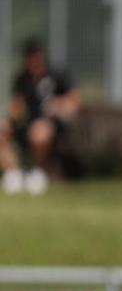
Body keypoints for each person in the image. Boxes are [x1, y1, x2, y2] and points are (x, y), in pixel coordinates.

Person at [0, 39, 80, 195]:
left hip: (50, 127)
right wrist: (13, 114)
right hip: (25, 124)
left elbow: (75, 101)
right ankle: (13, 173)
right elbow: (16, 107)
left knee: (39, 131)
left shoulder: (57, 75)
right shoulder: (22, 79)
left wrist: (58, 105)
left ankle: (37, 173)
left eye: (35, 56)